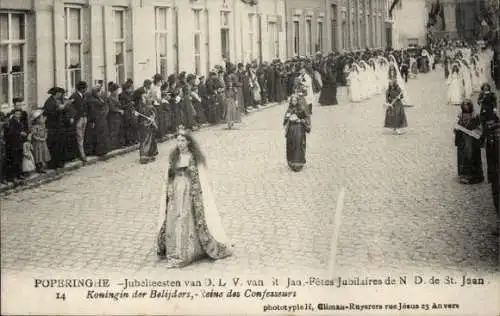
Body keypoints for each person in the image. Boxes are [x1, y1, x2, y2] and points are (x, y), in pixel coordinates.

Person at [156, 127, 233, 268]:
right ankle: (174, 250)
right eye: (178, 141)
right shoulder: (174, 156)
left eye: (183, 141)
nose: (180, 144)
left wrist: (193, 193)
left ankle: (185, 253)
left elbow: (197, 178)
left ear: (188, 142)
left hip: (188, 192)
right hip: (176, 192)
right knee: (174, 218)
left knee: (186, 219)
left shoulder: (192, 157)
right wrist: (169, 189)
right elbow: (170, 175)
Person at [454, 99, 484, 185]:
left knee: (472, 156)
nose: (466, 107)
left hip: (472, 141)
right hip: (463, 141)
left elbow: (479, 128)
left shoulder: (475, 116)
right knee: (463, 157)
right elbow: (458, 125)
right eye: (464, 106)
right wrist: (457, 129)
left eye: (467, 106)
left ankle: (474, 175)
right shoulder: (461, 115)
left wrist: (474, 132)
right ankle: (464, 175)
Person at [283, 94, 311, 172]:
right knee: (291, 145)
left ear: (298, 101)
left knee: (298, 145)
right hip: (291, 131)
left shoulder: (302, 108)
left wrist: (301, 120)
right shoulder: (289, 109)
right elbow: (285, 119)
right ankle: (291, 163)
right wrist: (288, 118)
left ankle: (298, 164)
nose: (294, 102)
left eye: (295, 100)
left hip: (299, 130)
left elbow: (307, 118)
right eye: (292, 101)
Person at [135, 91, 159, 164]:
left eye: (143, 99)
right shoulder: (142, 108)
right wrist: (136, 115)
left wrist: (152, 120)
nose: (142, 100)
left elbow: (154, 117)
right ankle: (146, 156)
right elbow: (139, 118)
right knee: (146, 141)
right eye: (142, 99)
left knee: (148, 141)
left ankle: (146, 156)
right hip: (143, 126)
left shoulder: (151, 108)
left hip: (148, 127)